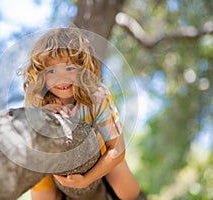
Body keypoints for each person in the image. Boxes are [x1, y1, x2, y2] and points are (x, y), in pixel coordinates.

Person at [23, 28, 140, 200]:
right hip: (49, 166)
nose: (61, 78)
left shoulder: (97, 95)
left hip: (97, 155)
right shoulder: (36, 99)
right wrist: (40, 116)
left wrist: (86, 180)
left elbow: (117, 148)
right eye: (51, 71)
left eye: (69, 68)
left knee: (129, 191)